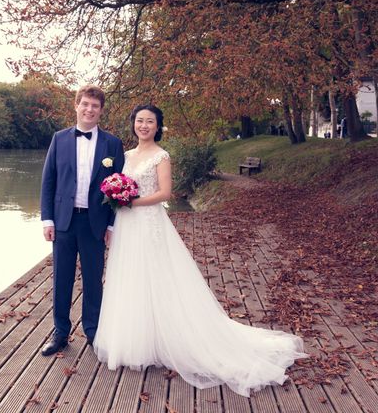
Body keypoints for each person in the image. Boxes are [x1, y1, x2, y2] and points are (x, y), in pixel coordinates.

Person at [93, 104, 307, 397]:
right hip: (127, 225)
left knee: (156, 277)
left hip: (148, 222)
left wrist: (131, 202)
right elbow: (117, 187)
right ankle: (137, 341)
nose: (144, 126)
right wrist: (118, 199)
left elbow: (165, 194)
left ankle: (168, 339)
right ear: (134, 124)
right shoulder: (126, 156)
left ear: (158, 126)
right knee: (130, 278)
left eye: (150, 122)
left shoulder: (161, 156)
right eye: (140, 121)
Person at [40, 85, 125, 356]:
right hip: (64, 221)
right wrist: (47, 220)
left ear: (101, 111)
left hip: (94, 223)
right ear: (76, 105)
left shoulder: (112, 144)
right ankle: (60, 333)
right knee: (61, 279)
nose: (89, 109)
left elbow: (119, 188)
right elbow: (48, 181)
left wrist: (111, 224)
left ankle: (93, 332)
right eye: (85, 104)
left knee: (92, 279)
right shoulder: (59, 139)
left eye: (95, 106)